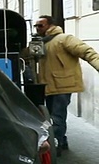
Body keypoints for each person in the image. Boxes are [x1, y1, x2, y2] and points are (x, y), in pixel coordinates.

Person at [34, 15, 99, 155]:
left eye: (40, 25)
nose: (37, 28)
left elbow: (87, 51)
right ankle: (61, 141)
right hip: (49, 86)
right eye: (36, 26)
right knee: (53, 115)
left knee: (57, 116)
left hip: (62, 85)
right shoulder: (42, 42)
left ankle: (56, 145)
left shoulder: (64, 39)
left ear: (50, 25)